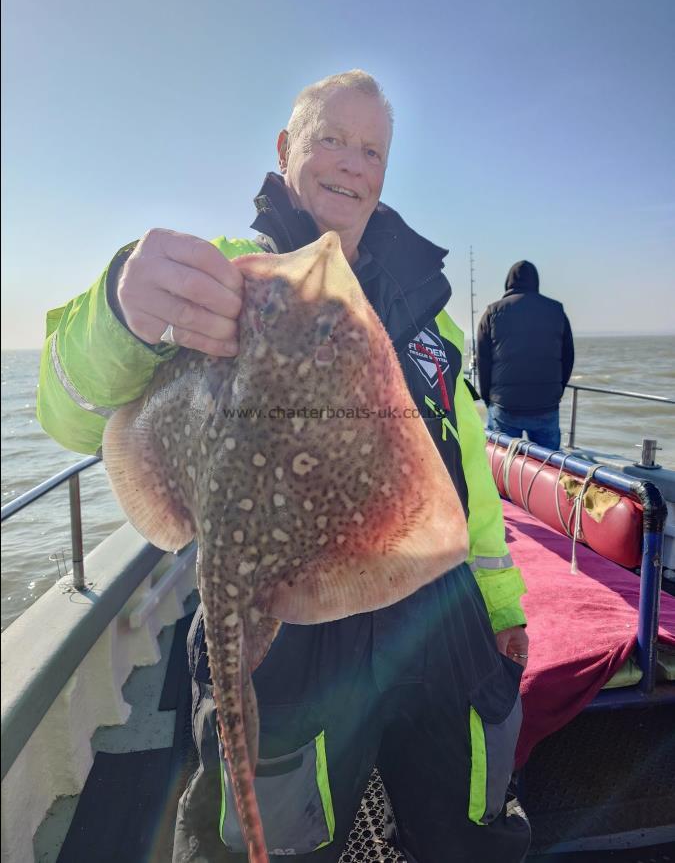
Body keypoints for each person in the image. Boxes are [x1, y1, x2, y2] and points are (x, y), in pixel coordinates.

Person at [37, 70, 531, 863]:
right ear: (285, 148)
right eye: (330, 138)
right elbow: (68, 414)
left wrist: (501, 602)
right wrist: (122, 314)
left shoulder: (427, 306)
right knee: (278, 831)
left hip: (439, 612)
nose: (351, 161)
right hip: (288, 612)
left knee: (468, 823)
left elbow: (465, 469)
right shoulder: (224, 275)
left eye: (370, 148)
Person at [476, 260, 574, 450]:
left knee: (502, 465)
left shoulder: (492, 313)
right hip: (546, 405)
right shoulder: (557, 311)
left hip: (504, 406)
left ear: (508, 283)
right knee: (549, 465)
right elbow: (568, 357)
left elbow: (483, 361)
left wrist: (488, 398)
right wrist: (556, 391)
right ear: (535, 282)